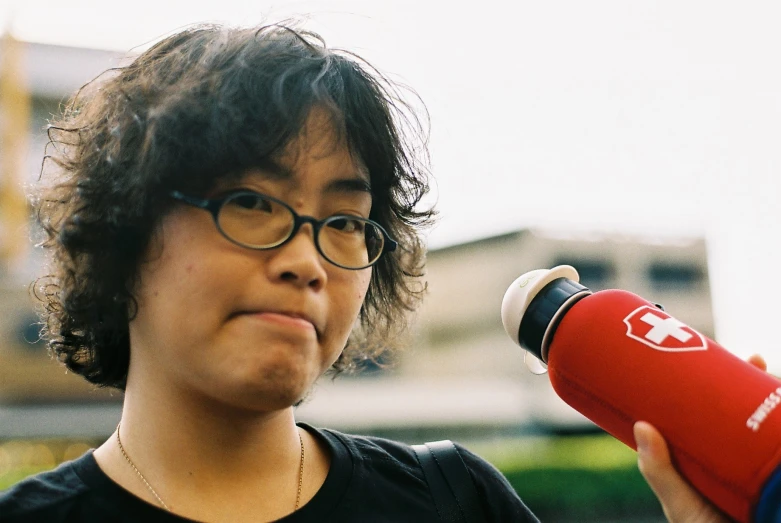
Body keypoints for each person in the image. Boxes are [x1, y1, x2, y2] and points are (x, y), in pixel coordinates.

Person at [0, 21, 751, 523]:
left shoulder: (452, 501)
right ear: (125, 227)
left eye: (345, 222)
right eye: (252, 202)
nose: (305, 258)